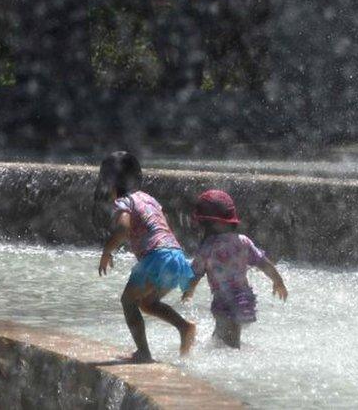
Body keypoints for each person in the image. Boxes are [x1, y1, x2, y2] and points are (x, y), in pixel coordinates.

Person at [96, 151, 197, 362]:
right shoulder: (149, 199)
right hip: (176, 256)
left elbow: (123, 229)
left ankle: (143, 352)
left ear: (109, 184)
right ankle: (184, 327)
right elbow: (162, 224)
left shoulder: (123, 202)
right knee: (148, 303)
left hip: (156, 258)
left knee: (128, 301)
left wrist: (107, 252)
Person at [181, 189, 287, 349]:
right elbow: (263, 263)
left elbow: (195, 275)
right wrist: (278, 281)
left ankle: (235, 366)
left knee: (230, 346)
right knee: (220, 338)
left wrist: (188, 292)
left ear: (204, 224)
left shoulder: (208, 247)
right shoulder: (243, 241)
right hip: (244, 300)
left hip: (225, 302)